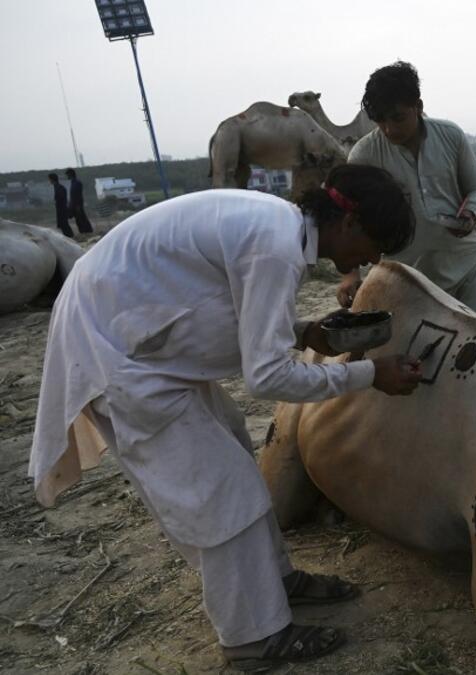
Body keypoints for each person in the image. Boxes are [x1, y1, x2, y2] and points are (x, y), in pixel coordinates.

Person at [29, 164, 424, 672]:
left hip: (144, 335)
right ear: (348, 223)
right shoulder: (276, 246)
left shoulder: (279, 228)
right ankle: (251, 638)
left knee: (232, 442)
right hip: (119, 352)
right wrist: (370, 374)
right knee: (217, 491)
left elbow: (218, 305)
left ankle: (273, 581)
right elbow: (267, 378)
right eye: (372, 246)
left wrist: (303, 332)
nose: (368, 262)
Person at [338, 61, 476, 317]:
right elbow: (348, 219)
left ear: (418, 106)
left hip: (464, 263)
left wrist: (468, 215)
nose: (389, 129)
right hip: (405, 278)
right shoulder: (364, 155)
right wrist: (350, 275)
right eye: (380, 121)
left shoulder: (451, 135)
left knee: (474, 348)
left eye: (398, 118)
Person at [64, 168, 94, 236]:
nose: (67, 177)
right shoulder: (73, 183)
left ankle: (87, 231)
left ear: (70, 174)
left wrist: (78, 206)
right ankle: (84, 232)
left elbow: (78, 196)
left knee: (82, 219)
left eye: (67, 175)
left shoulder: (77, 183)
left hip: (77, 205)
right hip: (74, 205)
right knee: (79, 220)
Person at [48, 173, 72, 238]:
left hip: (62, 209)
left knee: (64, 224)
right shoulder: (57, 187)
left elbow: (60, 199)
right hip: (60, 209)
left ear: (52, 179)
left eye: (49, 179)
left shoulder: (59, 187)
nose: (49, 181)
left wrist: (56, 201)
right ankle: (69, 236)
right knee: (63, 225)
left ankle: (70, 237)